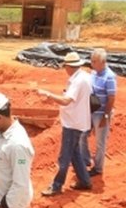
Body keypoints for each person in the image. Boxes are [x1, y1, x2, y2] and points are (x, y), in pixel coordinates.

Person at [37, 52, 93, 195]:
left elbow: (67, 100)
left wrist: (48, 94)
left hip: (73, 123)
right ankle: (85, 181)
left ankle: (57, 185)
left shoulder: (77, 81)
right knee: (74, 153)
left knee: (65, 156)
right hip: (78, 121)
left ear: (69, 66)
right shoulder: (85, 77)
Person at [80, 48, 117, 177]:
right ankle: (85, 160)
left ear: (102, 62)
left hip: (101, 113)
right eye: (91, 60)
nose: (92, 63)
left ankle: (98, 168)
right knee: (82, 135)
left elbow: (111, 98)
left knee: (100, 142)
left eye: (94, 61)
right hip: (90, 111)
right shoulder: (94, 73)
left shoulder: (110, 77)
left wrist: (105, 117)